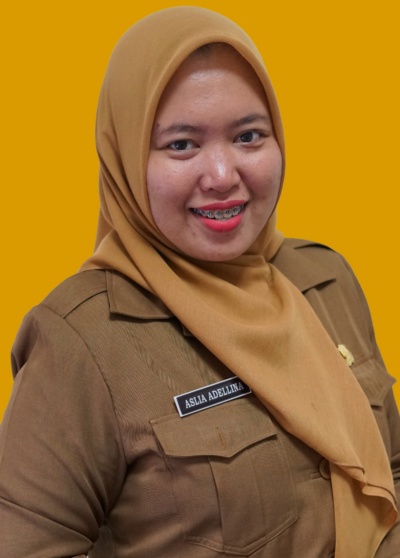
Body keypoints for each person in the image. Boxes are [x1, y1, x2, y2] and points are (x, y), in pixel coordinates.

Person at [0, 6, 399, 558]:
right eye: (182, 144)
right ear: (124, 156)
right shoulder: (80, 340)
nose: (222, 175)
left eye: (249, 136)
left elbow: (390, 474)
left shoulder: (325, 279)